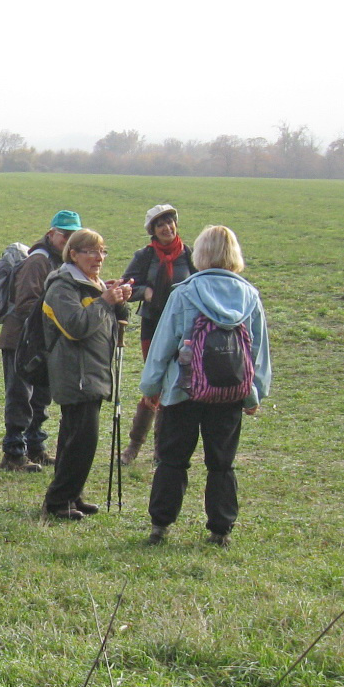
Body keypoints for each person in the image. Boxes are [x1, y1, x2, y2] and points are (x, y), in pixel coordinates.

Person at [140, 225, 271, 547]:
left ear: (200, 254)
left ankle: (160, 526)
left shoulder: (184, 293)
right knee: (222, 463)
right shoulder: (249, 296)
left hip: (182, 390)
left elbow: (164, 344)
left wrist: (151, 386)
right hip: (229, 391)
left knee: (172, 459)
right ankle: (220, 530)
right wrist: (254, 393)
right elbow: (256, 352)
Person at [39, 228, 132, 520]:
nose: (99, 257)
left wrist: (119, 301)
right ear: (74, 254)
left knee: (74, 439)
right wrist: (105, 301)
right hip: (75, 374)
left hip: (91, 372)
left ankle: (71, 496)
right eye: (91, 251)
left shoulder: (91, 284)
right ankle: (57, 502)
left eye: (102, 251)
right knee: (81, 440)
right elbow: (76, 327)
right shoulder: (62, 287)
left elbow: (111, 323)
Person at [0, 210, 83, 471]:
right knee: (20, 397)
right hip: (20, 340)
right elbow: (26, 304)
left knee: (40, 398)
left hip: (43, 341)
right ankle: (13, 453)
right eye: (63, 235)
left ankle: (35, 447)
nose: (67, 241)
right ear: (51, 234)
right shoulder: (38, 262)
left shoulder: (62, 262)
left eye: (72, 236)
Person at [118, 203, 193, 465]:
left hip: (184, 331)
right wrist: (143, 292)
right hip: (153, 327)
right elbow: (125, 285)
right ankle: (134, 446)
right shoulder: (145, 256)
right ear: (153, 231)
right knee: (156, 382)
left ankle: (163, 449)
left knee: (177, 384)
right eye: (160, 225)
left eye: (170, 222)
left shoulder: (190, 255)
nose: (166, 228)